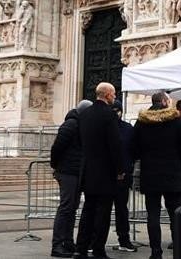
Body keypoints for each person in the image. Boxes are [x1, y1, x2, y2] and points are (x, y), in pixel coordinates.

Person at [132, 92, 181, 259]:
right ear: (165, 102)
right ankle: (178, 250)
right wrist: (178, 160)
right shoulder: (174, 120)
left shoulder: (142, 122)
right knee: (175, 214)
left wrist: (145, 157)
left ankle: (155, 252)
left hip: (150, 174)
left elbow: (133, 147)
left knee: (153, 214)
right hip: (172, 173)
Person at [74, 82, 125, 259]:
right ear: (108, 95)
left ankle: (80, 249)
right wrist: (120, 168)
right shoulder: (108, 116)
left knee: (88, 211)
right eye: (114, 94)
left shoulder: (84, 114)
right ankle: (98, 249)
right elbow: (115, 145)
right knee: (103, 213)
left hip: (88, 171)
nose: (115, 97)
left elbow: (81, 141)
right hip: (105, 172)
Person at [50, 100, 93, 258]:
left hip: (75, 172)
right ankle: (57, 245)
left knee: (72, 208)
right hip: (67, 171)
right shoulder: (71, 124)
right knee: (66, 207)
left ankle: (68, 242)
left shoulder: (80, 124)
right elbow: (57, 148)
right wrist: (56, 166)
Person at [111, 102, 138, 252]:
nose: (116, 114)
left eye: (118, 111)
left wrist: (128, 167)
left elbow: (134, 149)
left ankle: (124, 239)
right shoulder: (106, 127)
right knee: (103, 209)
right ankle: (95, 241)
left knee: (122, 209)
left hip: (124, 174)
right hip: (108, 175)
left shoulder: (128, 128)